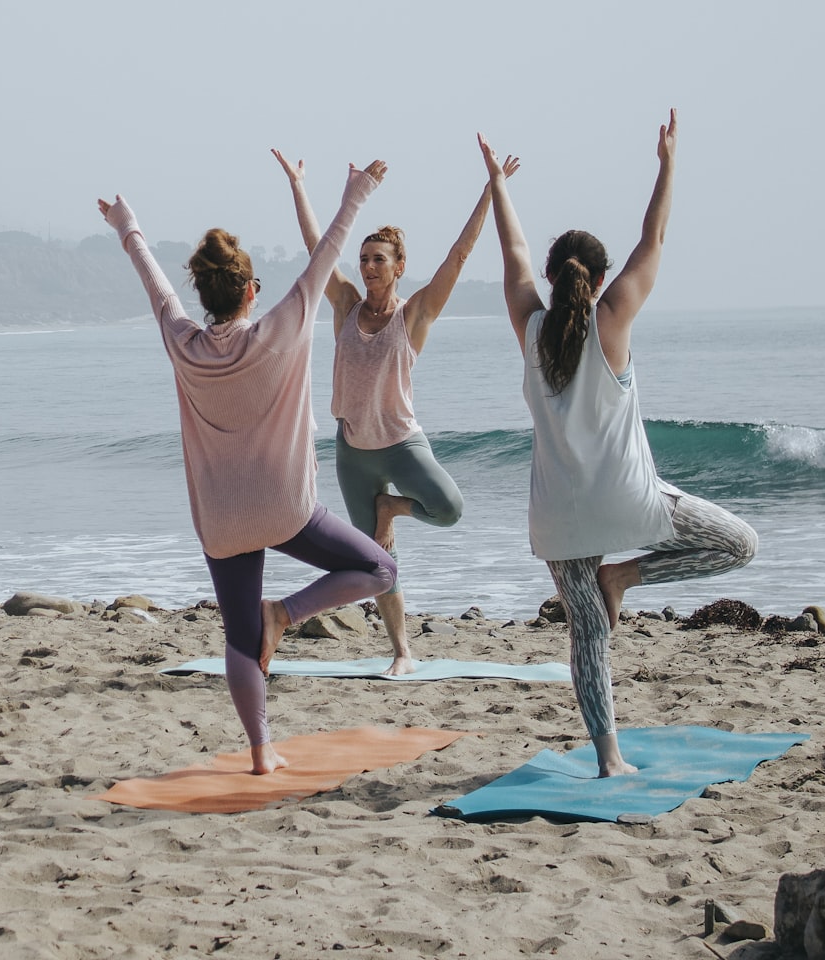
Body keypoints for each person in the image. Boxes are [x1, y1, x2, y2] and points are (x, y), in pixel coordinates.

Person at [479, 111, 757, 777]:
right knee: (739, 545)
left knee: (588, 635)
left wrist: (498, 186)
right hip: (629, 502)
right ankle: (627, 574)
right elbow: (653, 237)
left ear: (551, 279)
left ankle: (609, 759)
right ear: (599, 280)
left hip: (559, 517)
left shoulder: (530, 327)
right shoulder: (614, 321)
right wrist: (666, 164)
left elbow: (512, 256)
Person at [97, 160, 397, 775]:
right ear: (252, 290)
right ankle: (284, 614)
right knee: (380, 569)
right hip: (286, 511)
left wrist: (128, 226)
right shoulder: (280, 330)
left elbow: (154, 283)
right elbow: (328, 256)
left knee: (238, 639)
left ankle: (261, 754)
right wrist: (357, 192)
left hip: (222, 521)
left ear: (204, 297)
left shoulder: (181, 340)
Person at [271, 149, 520, 675]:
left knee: (449, 508)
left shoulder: (416, 314)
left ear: (399, 267)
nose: (367, 267)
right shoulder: (343, 305)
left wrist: (489, 190)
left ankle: (393, 509)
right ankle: (402, 651)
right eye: (363, 259)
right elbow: (319, 248)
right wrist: (298, 185)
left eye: (378, 259)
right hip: (353, 452)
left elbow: (458, 256)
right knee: (379, 566)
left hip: (403, 445)